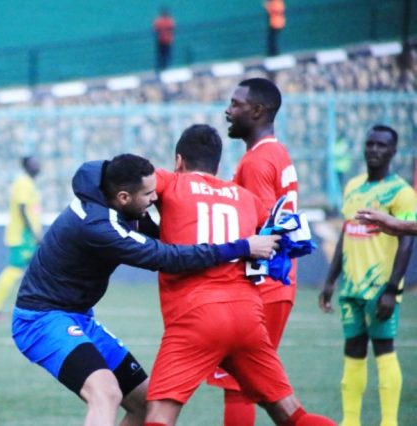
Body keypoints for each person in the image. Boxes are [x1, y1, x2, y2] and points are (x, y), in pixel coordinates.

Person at [12, 153, 280, 426]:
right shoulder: (100, 227)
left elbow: (169, 237)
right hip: (41, 319)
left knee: (144, 405)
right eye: (149, 194)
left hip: (79, 317)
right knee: (105, 394)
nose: (155, 198)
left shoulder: (111, 191)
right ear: (124, 197)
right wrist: (242, 247)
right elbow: (167, 257)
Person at [145, 124, 334, 426]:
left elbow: (134, 179)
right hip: (248, 317)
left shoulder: (172, 182)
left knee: (159, 416)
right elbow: (282, 233)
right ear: (217, 165)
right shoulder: (245, 197)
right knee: (291, 414)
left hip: (197, 316)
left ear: (179, 160)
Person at [211, 76, 299, 425]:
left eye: (236, 104)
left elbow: (261, 230)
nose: (228, 111)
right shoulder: (276, 153)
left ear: (258, 110)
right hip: (279, 281)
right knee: (259, 387)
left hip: (266, 283)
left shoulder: (257, 162)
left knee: (239, 384)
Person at [319, 124, 416, 426]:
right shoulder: (353, 186)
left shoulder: (402, 192)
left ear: (393, 151)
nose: (374, 150)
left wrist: (392, 289)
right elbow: (346, 233)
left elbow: (407, 241)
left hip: (379, 288)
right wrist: (330, 280)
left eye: (381, 145)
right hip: (351, 288)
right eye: (370, 144)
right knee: (353, 350)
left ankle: (389, 422)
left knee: (384, 349)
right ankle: (351, 421)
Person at [0, 155, 43, 321]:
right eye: (33, 163)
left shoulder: (30, 184)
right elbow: (22, 209)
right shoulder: (23, 183)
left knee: (40, 272)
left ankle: (40, 308)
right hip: (23, 237)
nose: (38, 165)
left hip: (28, 237)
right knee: (13, 271)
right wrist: (33, 234)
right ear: (26, 166)